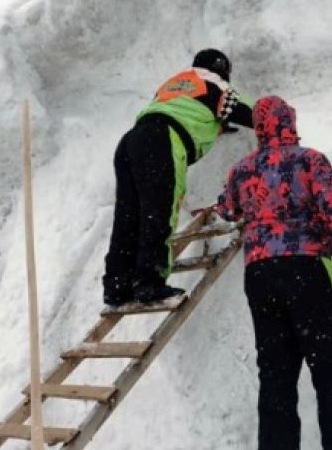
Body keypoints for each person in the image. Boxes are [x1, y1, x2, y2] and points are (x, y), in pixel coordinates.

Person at [217, 95, 332, 450]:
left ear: (258, 128)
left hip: (260, 275)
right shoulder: (309, 160)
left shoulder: (242, 170)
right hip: (306, 268)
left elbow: (227, 210)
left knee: (275, 372)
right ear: (290, 121)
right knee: (331, 368)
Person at [101, 47, 253, 308]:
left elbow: (190, 108)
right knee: (159, 211)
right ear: (222, 68)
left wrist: (218, 124)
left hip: (131, 141)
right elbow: (250, 111)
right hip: (163, 141)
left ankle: (116, 285)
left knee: (128, 216)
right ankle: (150, 281)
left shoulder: (174, 84)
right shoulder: (214, 82)